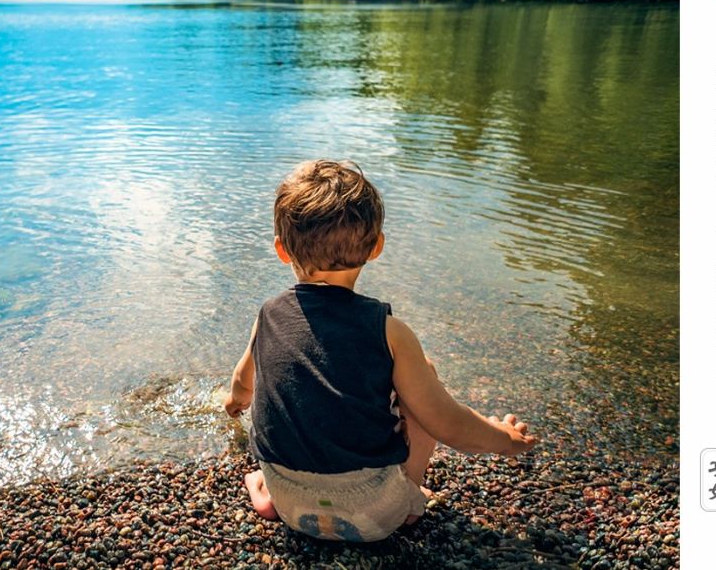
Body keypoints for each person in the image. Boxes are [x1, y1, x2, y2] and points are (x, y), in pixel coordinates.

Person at [223, 160, 537, 542]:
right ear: (376, 247)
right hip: (374, 515)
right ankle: (411, 497)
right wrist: (505, 439)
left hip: (291, 506)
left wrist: (233, 404)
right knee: (423, 376)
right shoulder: (389, 332)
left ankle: (265, 492)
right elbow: (449, 424)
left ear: (282, 251)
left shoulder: (268, 316)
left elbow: (243, 383)